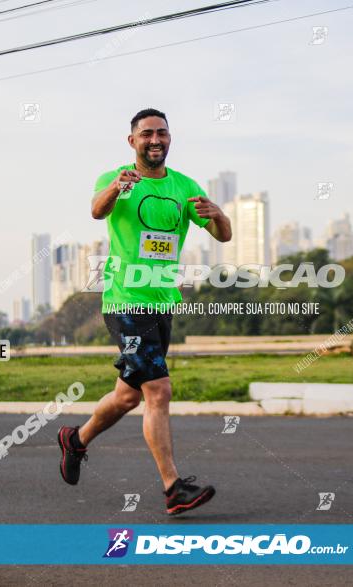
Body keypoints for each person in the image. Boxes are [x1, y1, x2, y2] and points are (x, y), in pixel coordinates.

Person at [58, 108, 232, 515]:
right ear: (132, 141)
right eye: (147, 134)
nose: (156, 140)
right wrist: (117, 189)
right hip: (126, 301)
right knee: (159, 390)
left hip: (162, 302)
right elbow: (96, 211)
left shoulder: (184, 186)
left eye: (163, 134)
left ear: (170, 139)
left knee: (128, 396)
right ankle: (174, 488)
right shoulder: (116, 179)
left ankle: (75, 439)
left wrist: (219, 215)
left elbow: (222, 234)